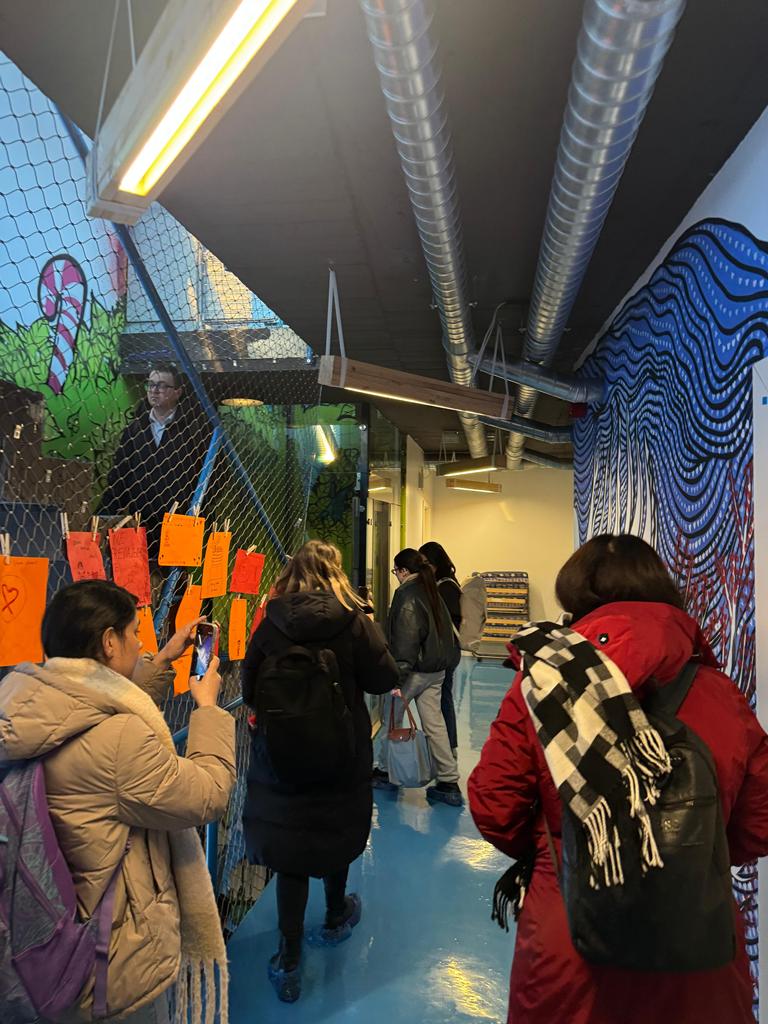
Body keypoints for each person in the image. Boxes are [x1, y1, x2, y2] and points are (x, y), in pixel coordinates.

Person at [468, 534, 768, 1024]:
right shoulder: (721, 694)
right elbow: (760, 822)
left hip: (570, 937)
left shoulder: (541, 687)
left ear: (575, 599)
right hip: (696, 941)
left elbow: (495, 806)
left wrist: (565, 846)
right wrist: (684, 849)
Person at [0, 580, 236, 1023]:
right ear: (110, 642)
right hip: (112, 962)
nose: (142, 643)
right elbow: (209, 793)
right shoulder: (119, 741)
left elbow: (99, 702)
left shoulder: (29, 702)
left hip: (51, 936)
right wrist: (208, 709)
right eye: (135, 633)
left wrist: (164, 659)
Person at [241, 539, 398, 1003]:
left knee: (290, 852)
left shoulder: (270, 623)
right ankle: (334, 914)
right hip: (341, 752)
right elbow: (385, 678)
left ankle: (288, 958)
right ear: (336, 573)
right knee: (335, 829)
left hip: (281, 755)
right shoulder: (353, 622)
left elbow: (249, 689)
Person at [372, 547, 462, 806]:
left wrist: (396, 679)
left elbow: (406, 639)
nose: (396, 576)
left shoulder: (407, 594)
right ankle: (449, 781)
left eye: (395, 571)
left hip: (414, 672)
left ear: (403, 571)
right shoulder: (431, 589)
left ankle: (386, 771)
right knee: (435, 724)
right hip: (436, 670)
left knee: (392, 719)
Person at [99, 362, 212, 562]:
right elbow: (120, 475)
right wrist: (104, 513)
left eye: (162, 385)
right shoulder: (135, 429)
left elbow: (213, 475)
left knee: (175, 575)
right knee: (138, 573)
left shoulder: (195, 429)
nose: (154, 390)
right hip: (140, 521)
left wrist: (197, 510)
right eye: (151, 384)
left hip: (180, 522)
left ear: (177, 392)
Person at [419, 540, 461, 753]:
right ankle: (447, 745)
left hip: (447, 650)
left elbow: (445, 621)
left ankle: (448, 745)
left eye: (426, 563)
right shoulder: (444, 585)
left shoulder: (446, 587)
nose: (423, 568)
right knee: (442, 697)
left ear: (436, 562)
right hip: (447, 649)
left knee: (443, 698)